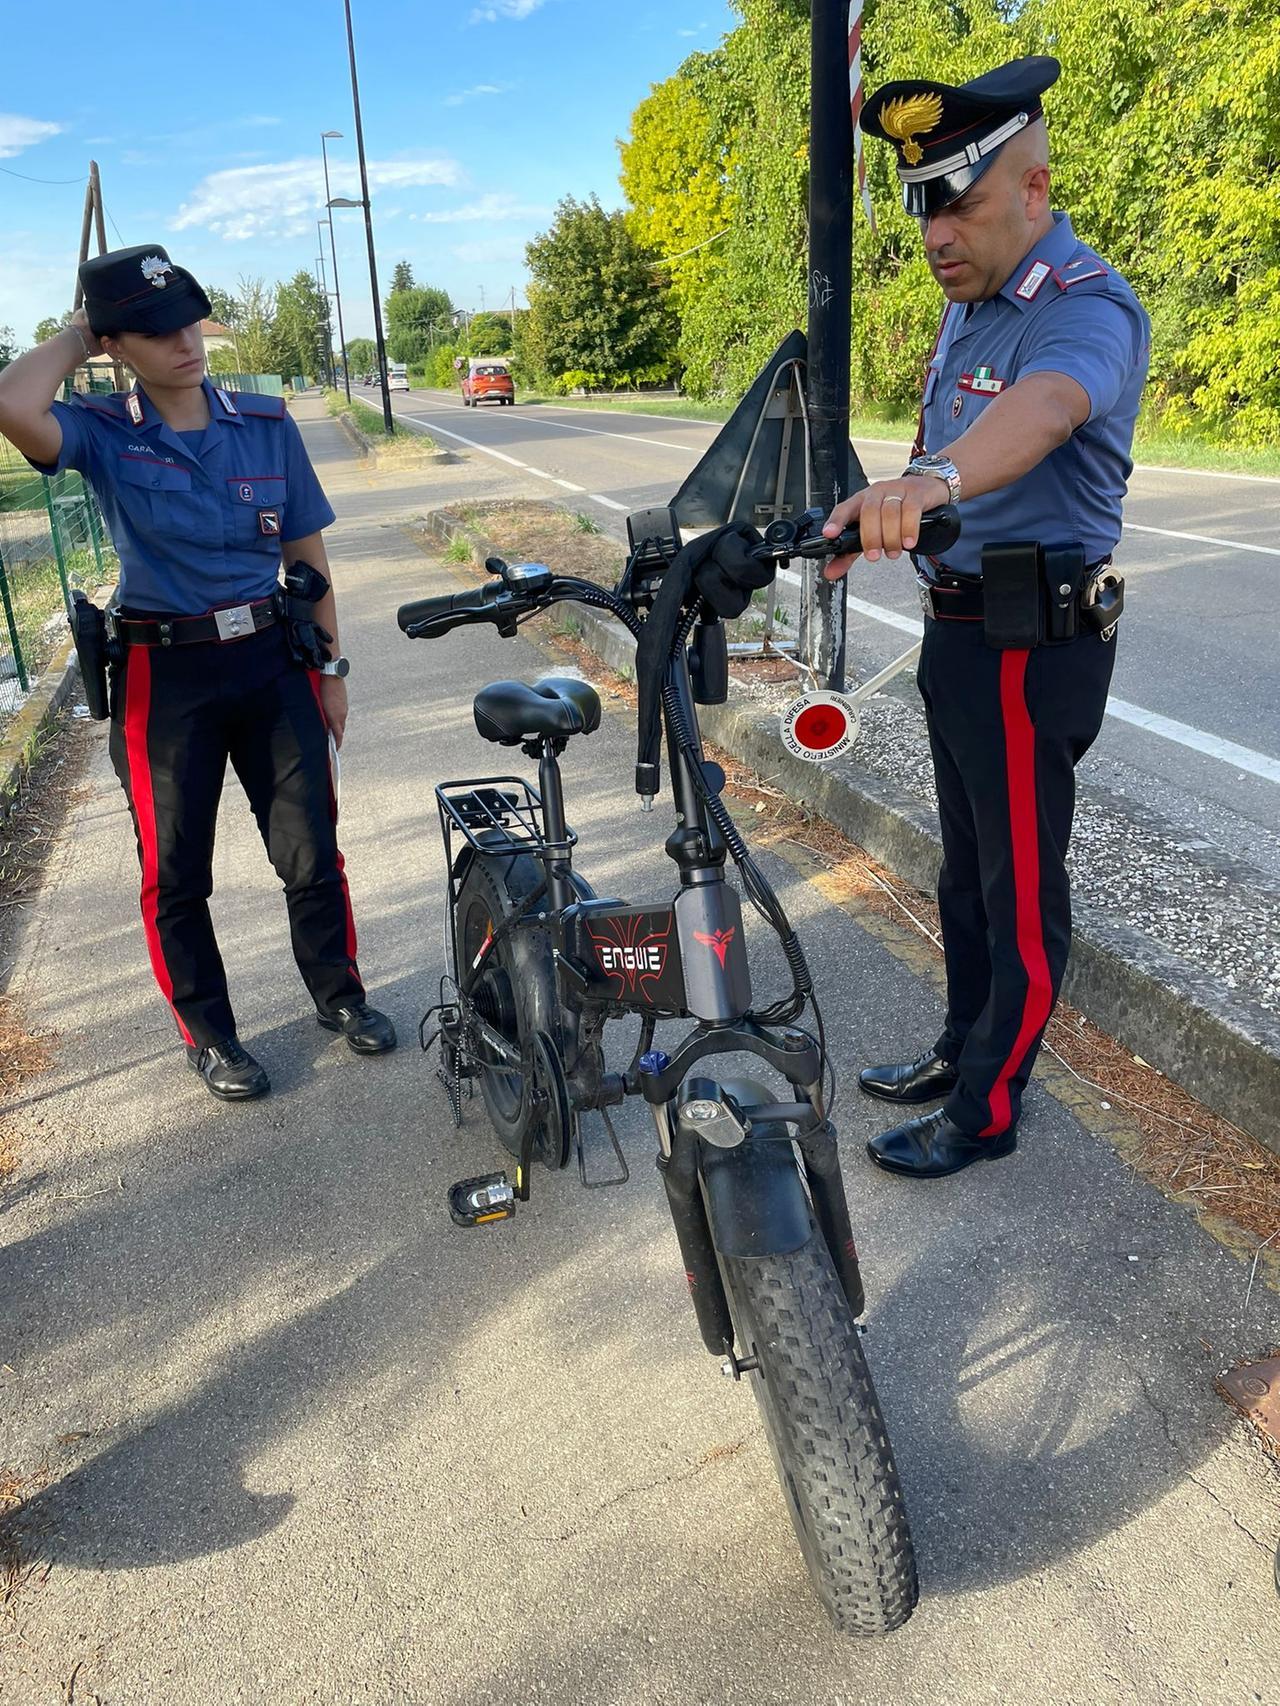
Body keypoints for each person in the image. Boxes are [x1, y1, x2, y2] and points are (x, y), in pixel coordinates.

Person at [821, 57, 1150, 1179]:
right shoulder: (970, 307)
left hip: (1028, 647)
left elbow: (1048, 408)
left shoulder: (1086, 307)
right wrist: (866, 516)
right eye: (921, 203)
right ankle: (964, 1047)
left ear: (1033, 192)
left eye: (957, 199)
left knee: (1016, 894)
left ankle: (987, 1109)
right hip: (959, 638)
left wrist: (937, 486)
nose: (931, 231)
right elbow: (934, 460)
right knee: (964, 874)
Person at [0, 244, 396, 1101]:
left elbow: (306, 550)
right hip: (163, 676)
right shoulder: (102, 433)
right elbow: (11, 402)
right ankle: (209, 1035)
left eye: (185, 320)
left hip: (270, 660)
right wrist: (79, 333)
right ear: (117, 345)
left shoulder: (264, 423)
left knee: (310, 851)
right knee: (175, 872)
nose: (182, 342)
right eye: (152, 329)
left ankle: (339, 996)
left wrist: (333, 667)